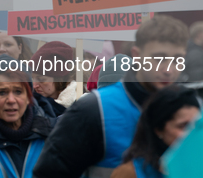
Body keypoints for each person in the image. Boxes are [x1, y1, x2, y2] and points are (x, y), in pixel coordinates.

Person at [33, 14, 189, 178]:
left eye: (178, 59)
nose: (168, 69)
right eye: (159, 58)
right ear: (137, 55)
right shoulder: (94, 110)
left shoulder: (191, 110)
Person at [0, 55, 54, 178]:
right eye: (2, 92)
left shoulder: (51, 136)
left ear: (28, 97)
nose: (11, 100)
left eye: (18, 92)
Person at [111, 85, 200, 178]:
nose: (192, 132)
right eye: (183, 126)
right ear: (158, 130)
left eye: (197, 124)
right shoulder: (131, 173)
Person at [31, 41, 77, 116]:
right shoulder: (30, 106)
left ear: (59, 79)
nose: (34, 85)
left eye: (41, 80)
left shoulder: (81, 104)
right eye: (32, 78)